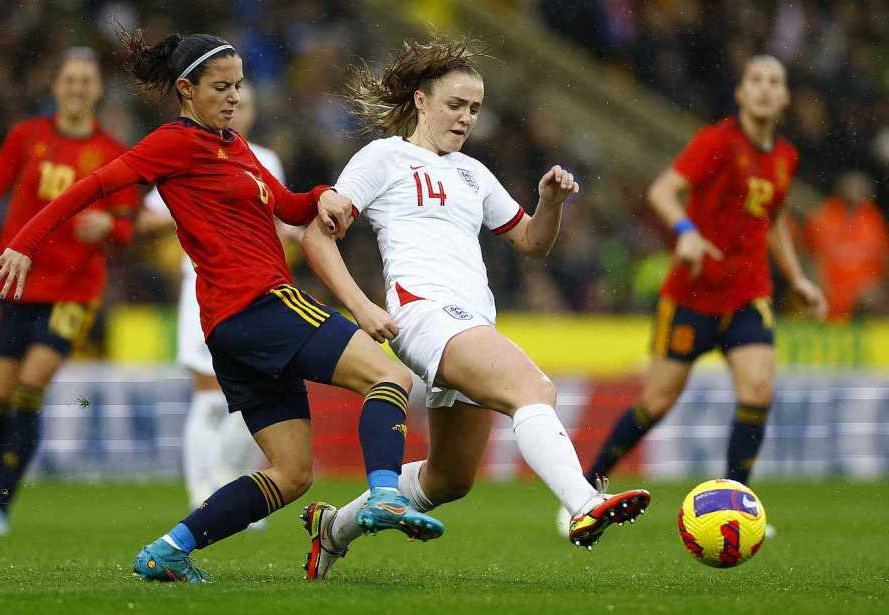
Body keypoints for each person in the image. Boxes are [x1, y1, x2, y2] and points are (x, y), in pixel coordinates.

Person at [0, 29, 444, 583]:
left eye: (239, 86)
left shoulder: (235, 146)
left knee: (292, 473)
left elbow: (289, 207)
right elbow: (93, 186)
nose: (233, 97)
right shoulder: (173, 142)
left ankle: (168, 550)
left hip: (231, 326)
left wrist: (322, 195)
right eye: (221, 87)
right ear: (186, 89)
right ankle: (386, 494)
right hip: (260, 303)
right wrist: (24, 244)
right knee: (390, 377)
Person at [296, 36, 651, 581]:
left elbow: (532, 242)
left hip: (469, 322)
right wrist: (362, 307)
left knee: (449, 478)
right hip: (423, 313)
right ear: (421, 101)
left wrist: (550, 203)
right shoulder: (383, 157)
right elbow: (316, 237)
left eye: (475, 109)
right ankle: (583, 502)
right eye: (455, 105)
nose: (466, 118)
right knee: (533, 389)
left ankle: (333, 529)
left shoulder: (473, 173)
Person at [580, 56, 827, 523]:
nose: (765, 88)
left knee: (757, 389)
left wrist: (796, 278)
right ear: (741, 92)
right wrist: (687, 231)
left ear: (785, 98)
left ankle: (736, 506)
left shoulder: (785, 157)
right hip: (692, 296)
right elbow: (662, 191)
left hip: (748, 293)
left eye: (774, 82)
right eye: (756, 80)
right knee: (657, 401)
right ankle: (587, 488)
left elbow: (772, 220)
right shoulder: (718, 141)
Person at [0, 47, 138, 536]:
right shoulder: (27, 136)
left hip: (74, 291)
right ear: (56, 86)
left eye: (86, 81)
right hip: (16, 282)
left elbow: (128, 225)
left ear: (97, 90)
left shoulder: (112, 152)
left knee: (29, 387)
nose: (77, 88)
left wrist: (109, 226)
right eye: (70, 80)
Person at [138, 83, 281, 521]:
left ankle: (233, 488)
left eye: (247, 103)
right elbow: (147, 217)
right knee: (208, 393)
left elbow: (276, 217)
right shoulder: (190, 152)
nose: (239, 110)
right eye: (232, 100)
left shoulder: (264, 159)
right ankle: (202, 494)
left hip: (256, 289)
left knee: (260, 388)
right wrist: (185, 211)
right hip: (204, 285)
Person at [803, 170, 888, 321]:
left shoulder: (873, 221)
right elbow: (808, 255)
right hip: (829, 287)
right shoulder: (822, 215)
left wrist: (878, 287)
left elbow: (882, 259)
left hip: (862, 296)